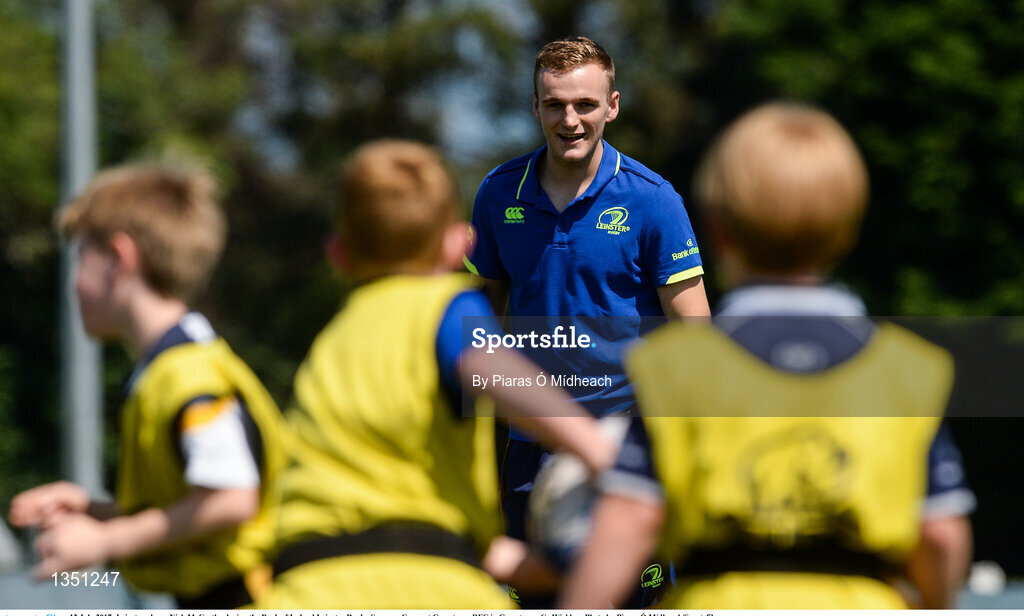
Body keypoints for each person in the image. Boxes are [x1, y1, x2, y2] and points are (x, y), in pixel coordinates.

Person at [559, 102, 975, 609]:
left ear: (718, 230)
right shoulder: (909, 371)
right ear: (847, 233)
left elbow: (628, 522)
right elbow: (941, 536)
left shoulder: (674, 367)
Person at [253, 139, 615, 609]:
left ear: (338, 254)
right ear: (459, 244)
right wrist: (600, 451)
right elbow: (489, 368)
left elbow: (438, 538)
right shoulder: (447, 305)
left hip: (303, 586)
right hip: (426, 587)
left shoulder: (328, 347)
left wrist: (543, 569)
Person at [466, 35, 710, 605]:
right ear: (535, 106)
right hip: (528, 444)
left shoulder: (654, 201)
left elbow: (697, 338)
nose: (570, 120)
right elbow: (474, 321)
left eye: (585, 105)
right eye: (554, 104)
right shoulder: (499, 193)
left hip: (628, 449)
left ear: (613, 105)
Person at [7, 162, 288, 608]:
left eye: (82, 258)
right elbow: (193, 504)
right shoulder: (169, 371)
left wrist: (106, 540)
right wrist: (92, 511)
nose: (75, 284)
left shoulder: (188, 376)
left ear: (120, 259)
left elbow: (232, 499)